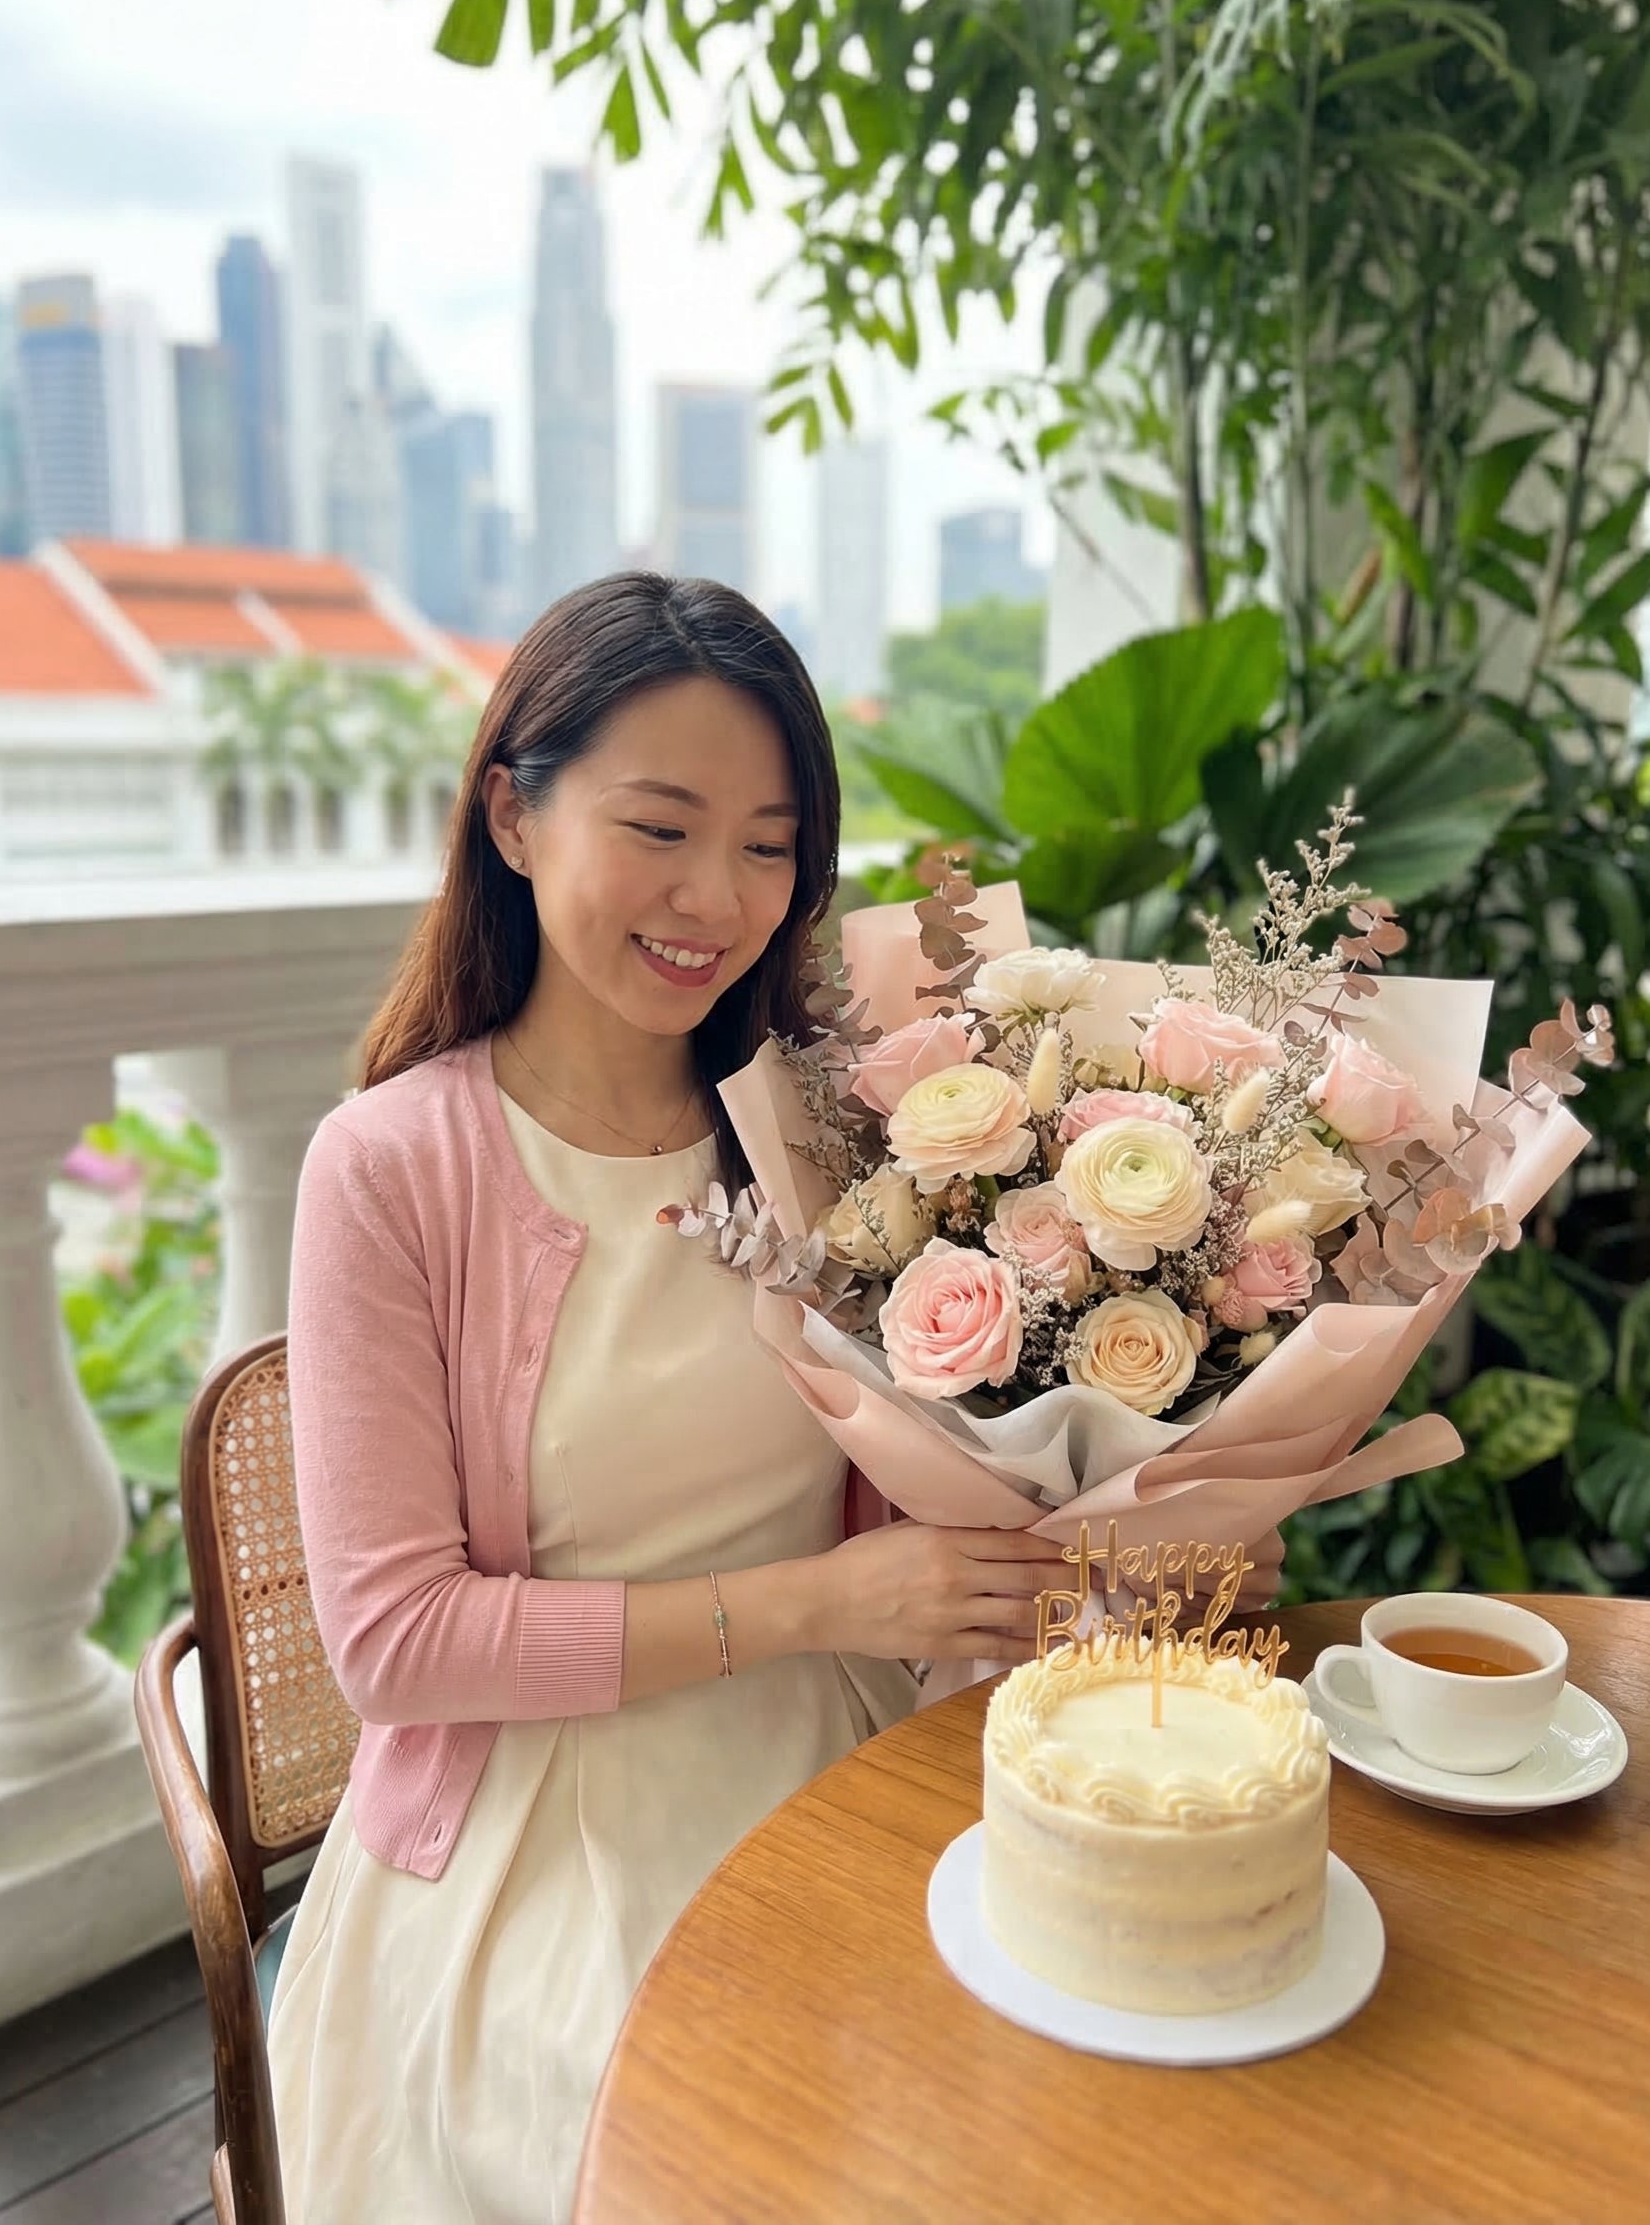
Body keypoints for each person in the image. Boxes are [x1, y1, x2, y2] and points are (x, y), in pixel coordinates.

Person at [266, 573, 1076, 2223]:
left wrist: (1115, 1533)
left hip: (844, 1762)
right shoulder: (391, 1167)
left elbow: (922, 1510)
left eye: (771, 845)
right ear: (512, 812)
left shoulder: (835, 1138)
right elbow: (396, 1642)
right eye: (661, 827)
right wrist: (821, 1603)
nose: (719, 896)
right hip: (526, 1834)